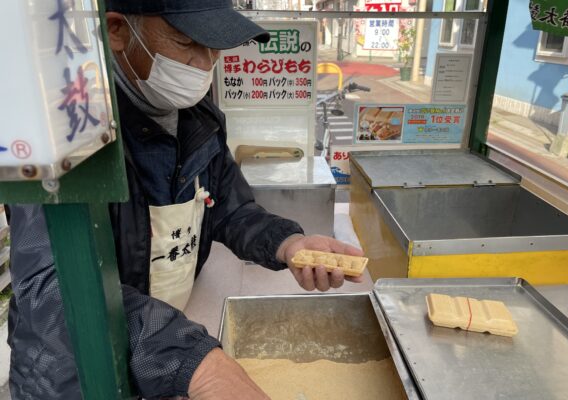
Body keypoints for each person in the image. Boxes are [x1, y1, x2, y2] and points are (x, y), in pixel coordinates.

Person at [7, 0, 364, 399]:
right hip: (75, 376)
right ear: (117, 31)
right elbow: (49, 288)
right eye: (185, 42)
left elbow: (231, 208)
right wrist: (197, 363)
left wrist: (289, 244)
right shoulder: (68, 133)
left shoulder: (198, 117)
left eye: (214, 47)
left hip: (157, 359)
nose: (203, 64)